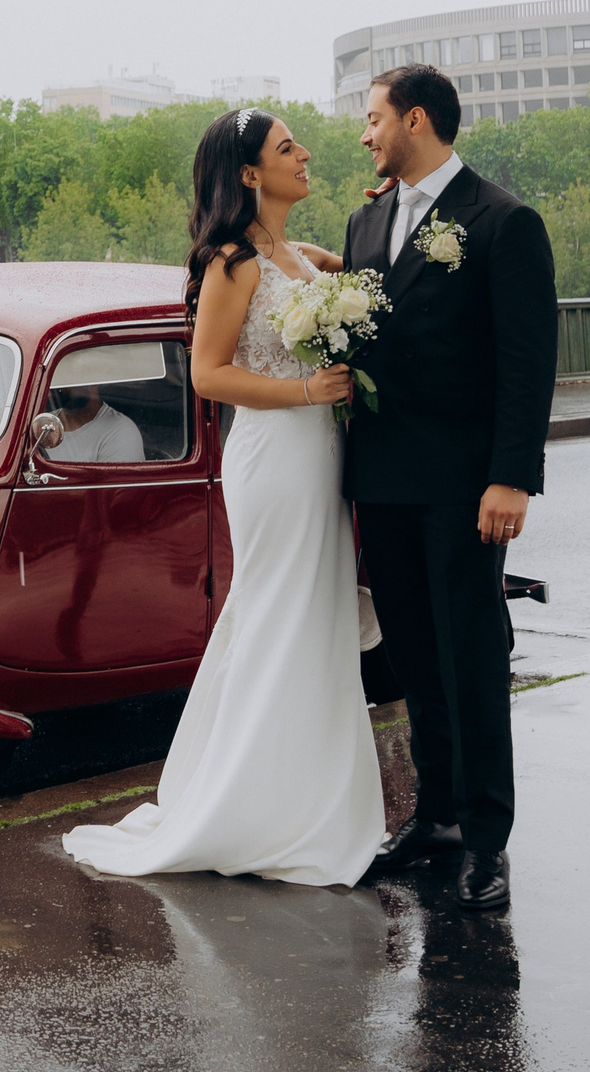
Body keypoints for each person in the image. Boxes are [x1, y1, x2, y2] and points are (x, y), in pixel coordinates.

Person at [62, 107, 385, 887]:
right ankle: (253, 807)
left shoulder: (295, 256)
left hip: (319, 453)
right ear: (249, 173)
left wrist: (378, 229)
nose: (305, 154)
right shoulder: (233, 263)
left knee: (315, 618)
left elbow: (366, 281)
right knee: (280, 614)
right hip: (274, 457)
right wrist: (307, 386)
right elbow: (207, 374)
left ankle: (302, 796)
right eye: (286, 147)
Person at [346, 64, 556, 914]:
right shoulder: (364, 221)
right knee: (412, 657)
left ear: (416, 119)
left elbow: (526, 359)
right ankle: (432, 818)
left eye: (373, 118)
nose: (365, 133)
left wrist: (511, 475)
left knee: (471, 657)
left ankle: (485, 841)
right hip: (383, 480)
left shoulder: (503, 221)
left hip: (467, 485)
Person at [47, 385, 146, 463]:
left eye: (70, 378)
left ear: (95, 382)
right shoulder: (44, 423)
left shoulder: (121, 431)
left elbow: (112, 487)